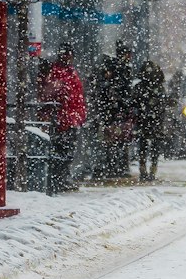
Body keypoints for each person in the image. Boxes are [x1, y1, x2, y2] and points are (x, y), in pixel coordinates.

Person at [41, 46, 87, 193]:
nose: (68, 58)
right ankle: (59, 179)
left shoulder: (69, 72)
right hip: (63, 118)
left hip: (70, 117)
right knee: (61, 150)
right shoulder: (58, 72)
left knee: (67, 151)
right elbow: (52, 93)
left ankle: (62, 177)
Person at [93, 41, 136, 178]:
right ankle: (115, 166)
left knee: (114, 140)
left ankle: (113, 166)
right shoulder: (119, 70)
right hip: (114, 112)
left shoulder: (121, 69)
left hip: (114, 111)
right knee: (115, 140)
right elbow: (118, 90)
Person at [133, 60, 169, 183]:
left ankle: (147, 170)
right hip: (149, 121)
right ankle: (149, 170)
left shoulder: (143, 88)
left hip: (148, 121)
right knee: (151, 146)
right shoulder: (155, 88)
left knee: (147, 146)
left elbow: (135, 103)